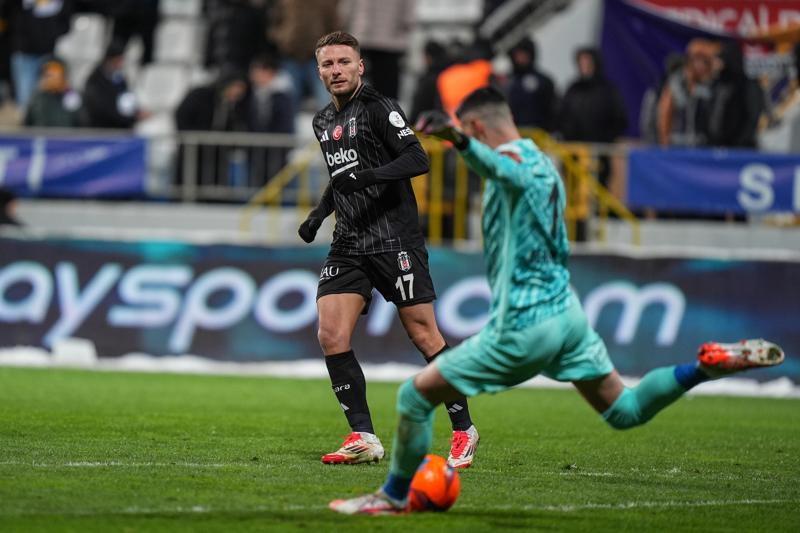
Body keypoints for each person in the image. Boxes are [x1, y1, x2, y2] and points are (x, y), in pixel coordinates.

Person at [328, 87, 785, 514]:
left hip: (526, 323)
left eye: (468, 132)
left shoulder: (513, 164)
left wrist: (459, 142)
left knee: (414, 396)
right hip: (568, 316)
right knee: (624, 410)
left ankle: (391, 497)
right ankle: (705, 367)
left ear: (478, 128)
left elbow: (503, 172)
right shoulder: (546, 162)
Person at [298, 31, 479, 468]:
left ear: (360, 66)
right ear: (319, 72)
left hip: (394, 238)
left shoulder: (379, 107)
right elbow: (341, 175)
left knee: (424, 335)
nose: (336, 70)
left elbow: (418, 159)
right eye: (328, 64)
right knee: (330, 334)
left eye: (344, 62)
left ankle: (463, 429)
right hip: (348, 242)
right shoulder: (322, 121)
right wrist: (319, 214)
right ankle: (363, 436)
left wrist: (369, 177)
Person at [82, 40, 145, 129]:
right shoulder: (95, 81)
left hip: (120, 127)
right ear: (110, 59)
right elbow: (102, 109)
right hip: (101, 129)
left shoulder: (120, 78)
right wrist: (131, 118)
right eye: (118, 60)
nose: (121, 64)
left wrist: (135, 112)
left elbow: (126, 99)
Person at [504, 37, 557, 132]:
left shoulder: (543, 81)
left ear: (530, 55)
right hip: (512, 133)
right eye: (517, 54)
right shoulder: (506, 81)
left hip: (539, 134)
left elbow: (552, 110)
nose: (520, 58)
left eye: (524, 54)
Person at [24, 57, 82, 127]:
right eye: (49, 75)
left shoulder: (72, 96)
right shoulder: (37, 99)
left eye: (57, 74)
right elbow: (27, 125)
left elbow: (82, 124)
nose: (53, 79)